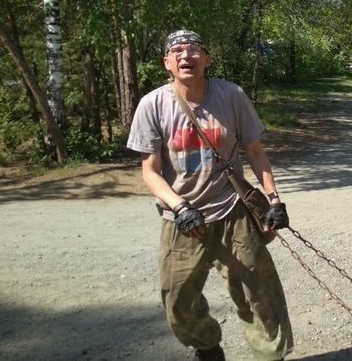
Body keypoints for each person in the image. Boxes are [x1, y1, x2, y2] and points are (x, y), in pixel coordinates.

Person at [126, 29, 293, 361]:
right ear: (167, 63)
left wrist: (274, 199)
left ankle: (271, 355)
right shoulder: (153, 104)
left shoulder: (231, 96)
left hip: (232, 212)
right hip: (183, 219)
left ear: (207, 59)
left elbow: (255, 152)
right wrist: (180, 207)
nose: (185, 55)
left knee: (260, 294)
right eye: (177, 51)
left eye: (193, 49)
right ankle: (208, 348)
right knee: (178, 302)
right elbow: (150, 172)